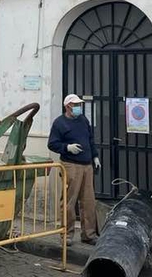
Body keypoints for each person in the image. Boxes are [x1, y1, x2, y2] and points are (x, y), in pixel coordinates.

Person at [47, 93, 101, 245]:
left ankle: (89, 235)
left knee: (88, 201)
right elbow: (52, 144)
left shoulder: (83, 120)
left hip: (87, 165)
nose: (78, 107)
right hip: (70, 165)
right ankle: (66, 234)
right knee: (69, 201)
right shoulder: (59, 123)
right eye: (75, 105)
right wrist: (67, 148)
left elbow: (90, 139)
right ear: (67, 106)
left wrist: (95, 156)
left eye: (79, 105)